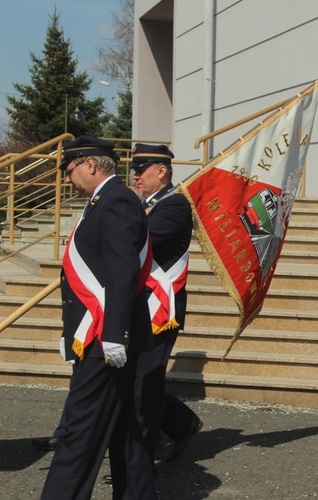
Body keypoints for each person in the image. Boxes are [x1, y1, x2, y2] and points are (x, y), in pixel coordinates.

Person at [41, 137, 157, 500]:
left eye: (69, 170)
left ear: (90, 165)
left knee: (79, 432)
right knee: (119, 430)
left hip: (104, 341)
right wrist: (71, 329)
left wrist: (113, 333)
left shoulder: (116, 200)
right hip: (94, 334)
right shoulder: (101, 202)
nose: (67, 179)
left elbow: (122, 271)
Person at [129, 144, 203, 463]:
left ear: (161, 171)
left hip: (160, 308)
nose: (135, 175)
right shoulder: (146, 205)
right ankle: (181, 423)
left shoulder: (173, 205)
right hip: (139, 305)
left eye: (141, 169)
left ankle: (141, 460)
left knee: (143, 381)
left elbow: (139, 240)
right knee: (139, 379)